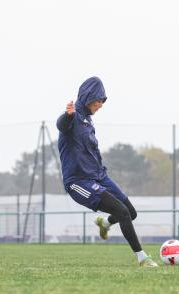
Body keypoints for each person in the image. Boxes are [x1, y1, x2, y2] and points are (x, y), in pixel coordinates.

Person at [56, 76, 158, 267]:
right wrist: (67, 115)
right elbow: (61, 125)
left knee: (130, 212)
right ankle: (142, 258)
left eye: (103, 101)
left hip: (99, 176)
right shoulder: (73, 118)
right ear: (87, 97)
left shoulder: (87, 119)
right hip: (79, 182)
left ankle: (105, 223)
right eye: (98, 100)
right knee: (121, 211)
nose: (101, 104)